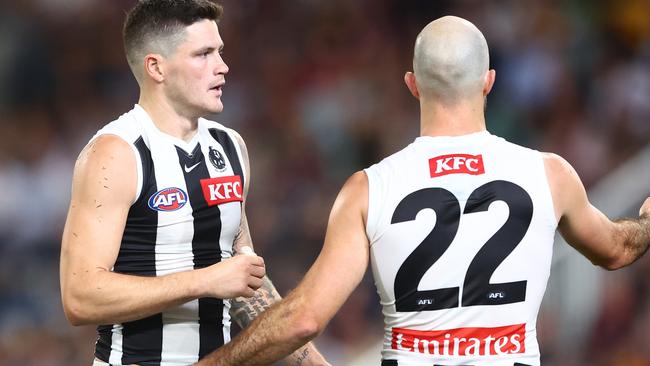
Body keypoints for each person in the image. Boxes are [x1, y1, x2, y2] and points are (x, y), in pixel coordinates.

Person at [196, 15, 650, 366]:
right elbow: (615, 249)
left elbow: (304, 319)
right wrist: (646, 222)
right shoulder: (548, 173)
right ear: (489, 81)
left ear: (412, 85)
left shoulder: (367, 189)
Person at [59, 1, 329, 365]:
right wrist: (205, 280)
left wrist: (314, 363)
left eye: (219, 51)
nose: (222, 67)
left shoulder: (230, 146)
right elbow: (80, 296)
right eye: (203, 54)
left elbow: (242, 276)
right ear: (156, 67)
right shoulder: (116, 153)